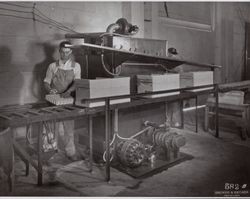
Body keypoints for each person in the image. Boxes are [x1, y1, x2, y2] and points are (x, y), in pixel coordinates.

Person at [43, 41, 81, 161]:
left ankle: (71, 152)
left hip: (68, 100)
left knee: (69, 129)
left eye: (67, 52)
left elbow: (77, 83)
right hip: (54, 100)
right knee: (52, 128)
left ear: (71, 52)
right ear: (59, 51)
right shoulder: (52, 66)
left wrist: (69, 91)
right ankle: (51, 152)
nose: (64, 55)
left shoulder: (76, 66)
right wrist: (50, 90)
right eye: (62, 52)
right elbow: (46, 82)